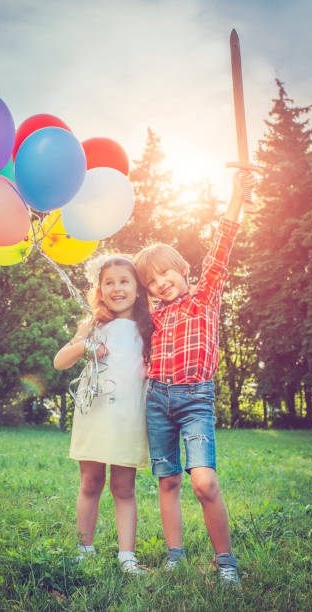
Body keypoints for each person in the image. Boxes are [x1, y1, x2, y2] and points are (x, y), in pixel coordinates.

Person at [134, 171, 255, 586]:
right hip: (157, 401)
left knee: (203, 481)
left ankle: (226, 564)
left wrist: (237, 196)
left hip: (195, 399)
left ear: (181, 268)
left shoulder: (204, 297)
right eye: (151, 281)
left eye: (165, 273)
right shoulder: (153, 316)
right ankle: (175, 556)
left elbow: (222, 247)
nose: (160, 283)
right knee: (167, 480)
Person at [53, 255, 153, 574]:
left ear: (138, 289)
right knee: (90, 481)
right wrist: (86, 348)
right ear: (99, 289)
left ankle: (127, 556)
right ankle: (85, 548)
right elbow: (59, 361)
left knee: (124, 486)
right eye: (108, 282)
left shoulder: (147, 326)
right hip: (94, 412)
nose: (116, 288)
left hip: (128, 414)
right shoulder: (93, 324)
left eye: (124, 281)